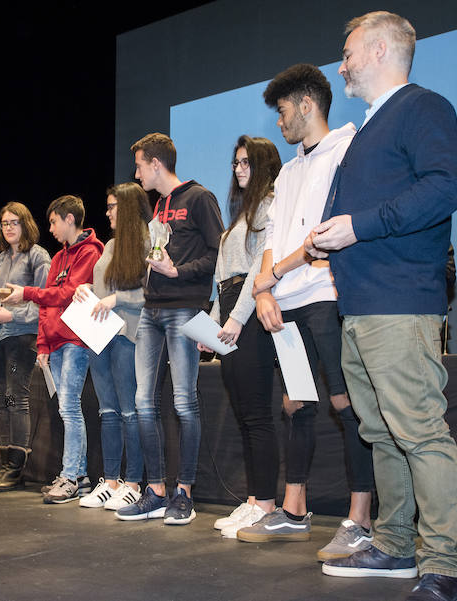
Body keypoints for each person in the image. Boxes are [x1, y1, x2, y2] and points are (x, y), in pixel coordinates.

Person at [312, 12, 457, 601]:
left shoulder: (423, 107)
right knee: (382, 433)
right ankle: (398, 544)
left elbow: (444, 186)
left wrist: (358, 226)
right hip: (362, 305)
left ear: (378, 50)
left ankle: (444, 568)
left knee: (420, 432)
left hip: (400, 302)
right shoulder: (371, 125)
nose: (342, 63)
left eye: (348, 52)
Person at [234, 64, 374, 558]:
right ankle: (294, 510)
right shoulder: (289, 171)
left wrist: (274, 276)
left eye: (283, 110)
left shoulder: (348, 150)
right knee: (295, 405)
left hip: (327, 297)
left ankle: (361, 518)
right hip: (287, 305)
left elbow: (328, 236)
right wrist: (265, 293)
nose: (279, 120)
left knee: (345, 404)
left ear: (308, 104)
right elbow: (273, 239)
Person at [116, 132, 223, 525]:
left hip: (184, 309)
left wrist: (178, 271)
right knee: (144, 402)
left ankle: (184, 493)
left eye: (140, 164)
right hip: (152, 310)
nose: (137, 172)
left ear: (156, 164)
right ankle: (156, 491)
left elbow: (218, 254)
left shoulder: (199, 198)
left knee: (183, 402)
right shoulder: (158, 205)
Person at [198, 135, 281, 538]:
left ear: (264, 163)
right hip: (232, 313)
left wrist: (235, 319)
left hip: (250, 316)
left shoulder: (270, 205)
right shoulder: (239, 215)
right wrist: (215, 325)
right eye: (235, 163)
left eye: (246, 162)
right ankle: (254, 500)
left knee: (257, 415)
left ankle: (265, 502)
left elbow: (256, 274)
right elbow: (222, 281)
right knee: (245, 417)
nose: (239, 169)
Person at [4, 195, 103, 504]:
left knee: (70, 408)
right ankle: (80, 476)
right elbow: (48, 303)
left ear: (69, 219)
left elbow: (67, 294)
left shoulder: (91, 252)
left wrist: (26, 293)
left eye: (53, 221)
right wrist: (44, 344)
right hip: (57, 343)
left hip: (76, 339)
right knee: (66, 408)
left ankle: (71, 476)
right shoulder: (59, 257)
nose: (50, 228)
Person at [73, 183, 149, 510]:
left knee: (130, 411)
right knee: (108, 411)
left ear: (129, 207)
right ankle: (111, 481)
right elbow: (102, 284)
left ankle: (133, 482)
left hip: (128, 334)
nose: (107, 213)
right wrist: (86, 288)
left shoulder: (148, 243)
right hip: (99, 334)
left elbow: (153, 292)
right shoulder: (110, 246)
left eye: (112, 206)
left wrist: (118, 298)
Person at [0, 202, 51, 492]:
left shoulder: (38, 256)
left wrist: (14, 315)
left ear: (26, 224)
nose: (8, 227)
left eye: (14, 222)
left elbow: (45, 300)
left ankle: (16, 467)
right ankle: (4, 464)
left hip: (21, 335)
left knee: (14, 398)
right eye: (4, 223)